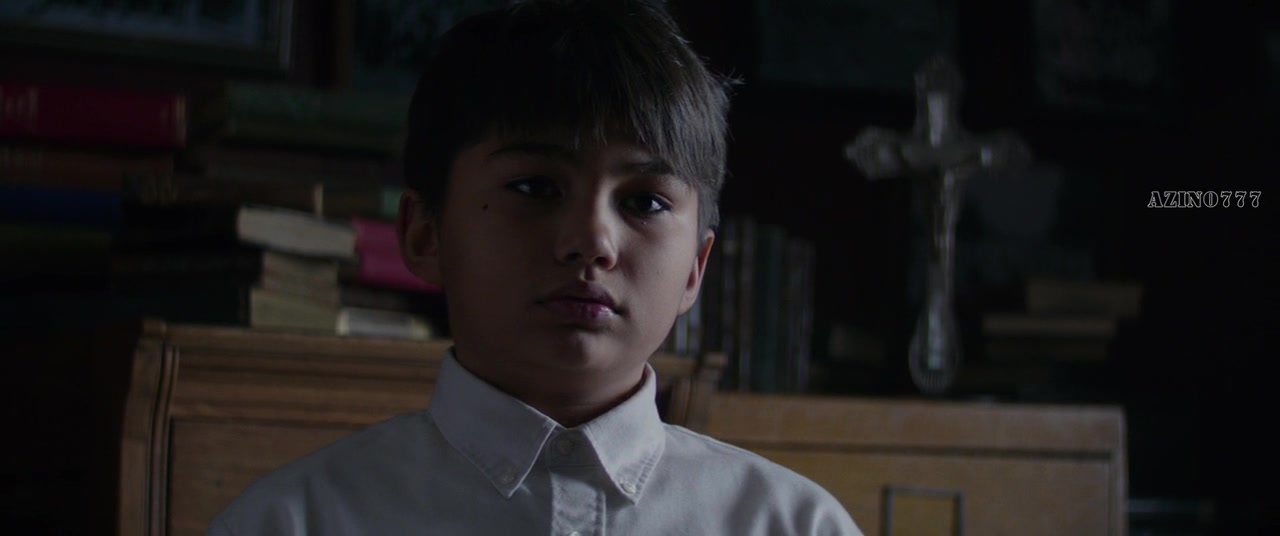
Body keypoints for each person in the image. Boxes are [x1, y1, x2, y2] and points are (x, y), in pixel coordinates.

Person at [208, 0, 862, 534]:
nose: (592, 242)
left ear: (695, 266)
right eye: (535, 188)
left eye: (644, 202)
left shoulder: (792, 525)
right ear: (425, 234)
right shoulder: (294, 522)